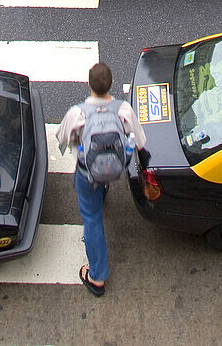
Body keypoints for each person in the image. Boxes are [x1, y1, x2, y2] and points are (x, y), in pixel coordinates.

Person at [56, 62, 146, 297]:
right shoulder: (123, 109)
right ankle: (104, 184)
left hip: (88, 174)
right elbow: (140, 142)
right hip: (116, 170)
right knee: (102, 177)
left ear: (89, 84)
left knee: (92, 219)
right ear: (111, 84)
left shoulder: (78, 113)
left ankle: (97, 276)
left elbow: (62, 137)